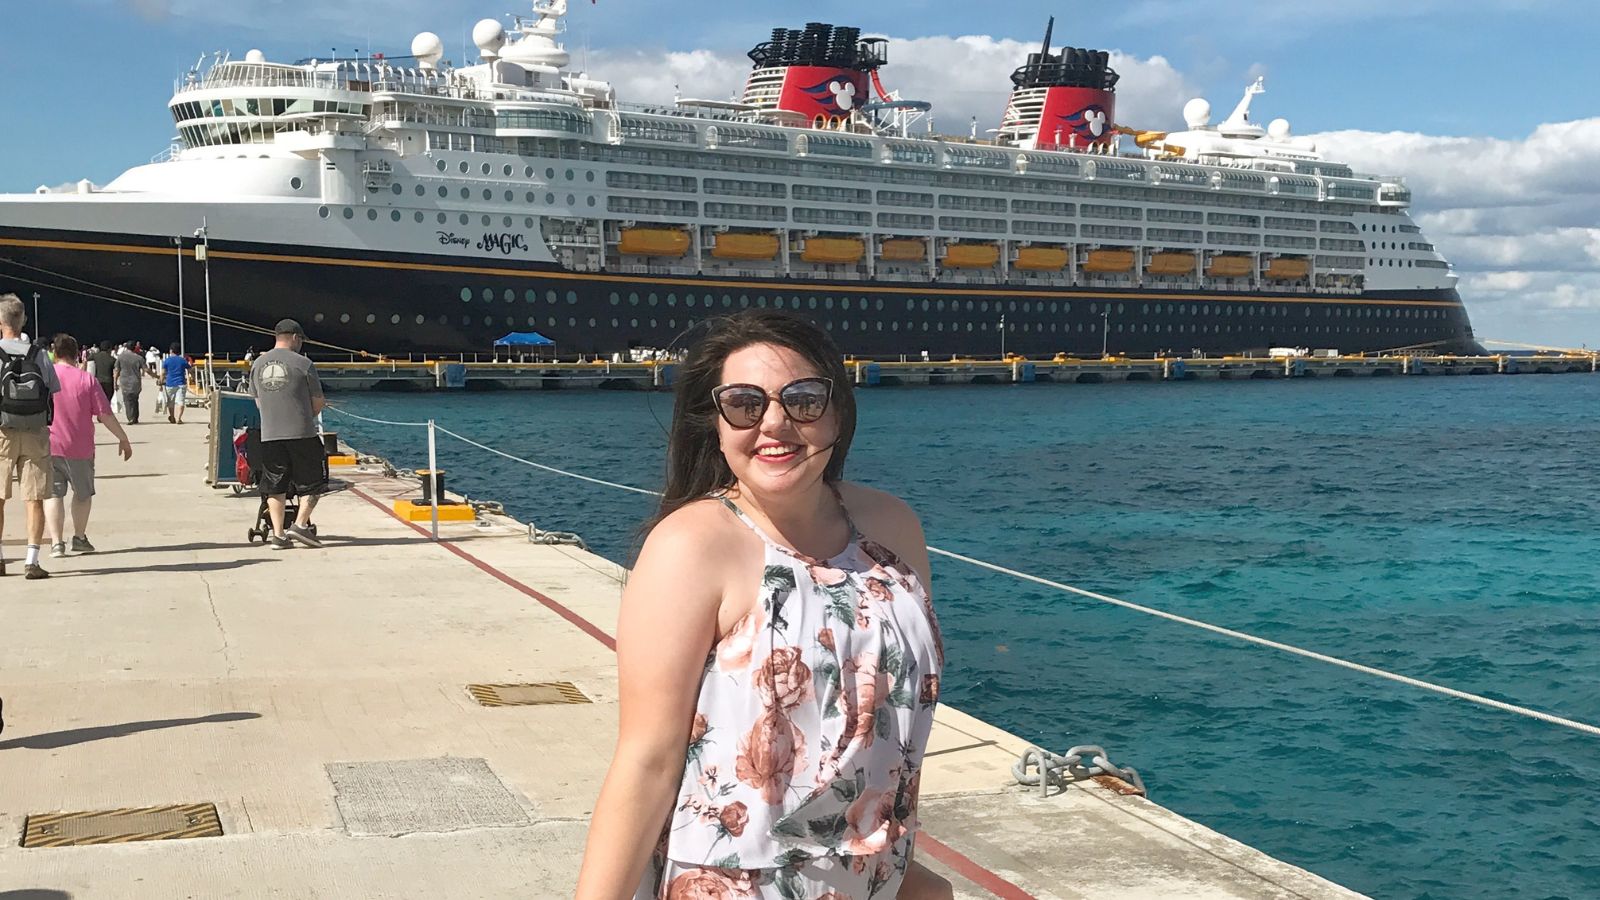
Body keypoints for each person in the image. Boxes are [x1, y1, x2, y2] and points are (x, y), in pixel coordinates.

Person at [576, 311, 951, 899]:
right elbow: (647, 759)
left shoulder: (893, 529)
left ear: (837, 413)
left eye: (803, 400)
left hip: (876, 875)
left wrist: (907, 871)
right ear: (718, 423)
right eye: (745, 404)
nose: (774, 424)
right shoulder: (692, 545)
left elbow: (896, 727)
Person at [44, 334, 132, 558]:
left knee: (53, 494)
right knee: (82, 494)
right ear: (76, 355)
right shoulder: (86, 380)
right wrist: (122, 438)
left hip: (48, 445)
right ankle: (79, 537)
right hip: (80, 448)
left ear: (55, 353)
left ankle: (56, 543)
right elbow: (104, 415)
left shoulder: (45, 378)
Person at [0, 293, 62, 579]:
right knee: (34, 497)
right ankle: (32, 561)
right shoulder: (39, 354)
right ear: (23, 319)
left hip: (2, 431)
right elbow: (52, 389)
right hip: (36, 431)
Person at [249, 319, 326, 549]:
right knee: (314, 481)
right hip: (301, 432)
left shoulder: (257, 364)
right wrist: (305, 417)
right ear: (294, 337)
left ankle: (279, 535)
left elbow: (257, 401)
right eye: (300, 339)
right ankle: (301, 525)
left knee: (275, 483)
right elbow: (318, 402)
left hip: (270, 434)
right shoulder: (304, 364)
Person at [161, 343, 192, 424]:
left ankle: (172, 416)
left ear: (171, 351)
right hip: (181, 382)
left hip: (170, 383)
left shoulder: (167, 360)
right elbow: (190, 370)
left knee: (170, 401)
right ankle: (179, 418)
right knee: (181, 401)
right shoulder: (182, 360)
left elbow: (163, 373)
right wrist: (191, 377)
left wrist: (161, 381)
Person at [114, 340, 144, 424]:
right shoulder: (139, 358)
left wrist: (115, 382)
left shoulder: (120, 357)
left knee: (127, 400)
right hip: (136, 382)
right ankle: (135, 417)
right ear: (135, 347)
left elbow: (116, 370)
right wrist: (156, 376)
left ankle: (130, 417)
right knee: (135, 399)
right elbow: (146, 369)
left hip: (124, 381)